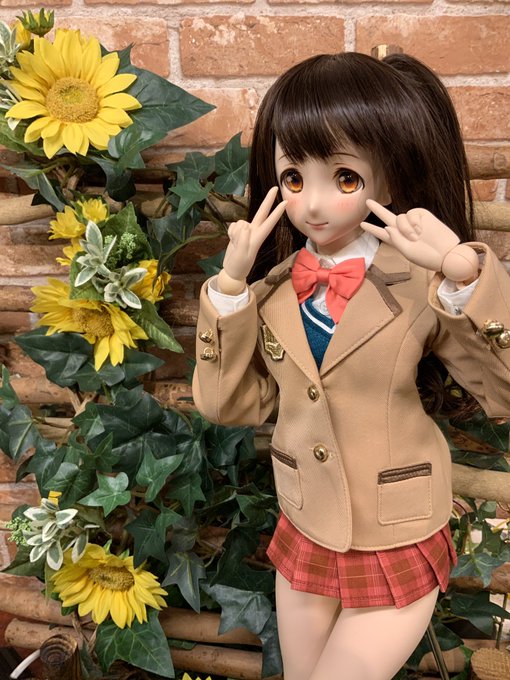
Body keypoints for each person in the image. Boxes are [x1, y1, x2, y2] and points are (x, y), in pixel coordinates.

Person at [192, 52, 510, 680]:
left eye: (343, 178)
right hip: (306, 521)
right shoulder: (271, 292)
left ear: (387, 182)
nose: (312, 204)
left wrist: (465, 277)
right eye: (293, 177)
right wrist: (229, 290)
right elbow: (228, 405)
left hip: (395, 525)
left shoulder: (420, 282)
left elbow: (503, 389)